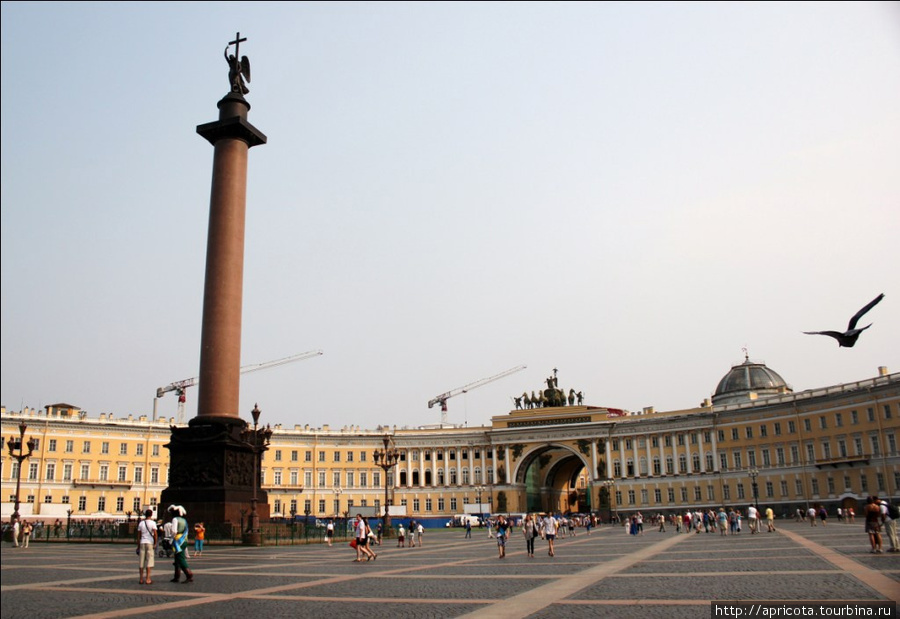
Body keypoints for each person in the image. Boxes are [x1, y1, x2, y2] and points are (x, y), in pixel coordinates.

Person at [167, 505, 194, 583]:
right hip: (184, 539)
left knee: (180, 558)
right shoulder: (184, 520)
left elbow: (174, 531)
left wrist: (170, 539)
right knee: (177, 558)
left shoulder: (175, 519)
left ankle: (189, 574)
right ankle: (177, 576)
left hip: (178, 540)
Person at [136, 509, 158, 585]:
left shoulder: (141, 523)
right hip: (150, 543)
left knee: (141, 562)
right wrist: (155, 543)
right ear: (151, 515)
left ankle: (141, 579)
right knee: (149, 561)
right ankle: (148, 579)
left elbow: (138, 536)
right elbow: (155, 534)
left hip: (142, 542)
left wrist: (138, 546)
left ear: (145, 514)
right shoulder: (153, 523)